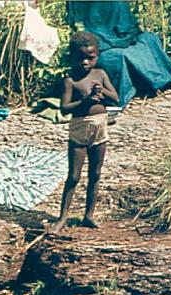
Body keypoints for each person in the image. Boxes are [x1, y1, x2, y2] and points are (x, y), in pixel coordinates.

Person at [49, 31, 118, 234]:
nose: (85, 62)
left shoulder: (100, 75)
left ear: (97, 55)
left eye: (90, 57)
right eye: (80, 58)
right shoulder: (70, 81)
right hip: (79, 129)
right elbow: (64, 108)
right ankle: (62, 218)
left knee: (95, 174)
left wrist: (101, 92)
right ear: (72, 57)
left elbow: (115, 97)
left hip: (99, 127)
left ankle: (89, 215)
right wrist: (85, 101)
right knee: (74, 175)